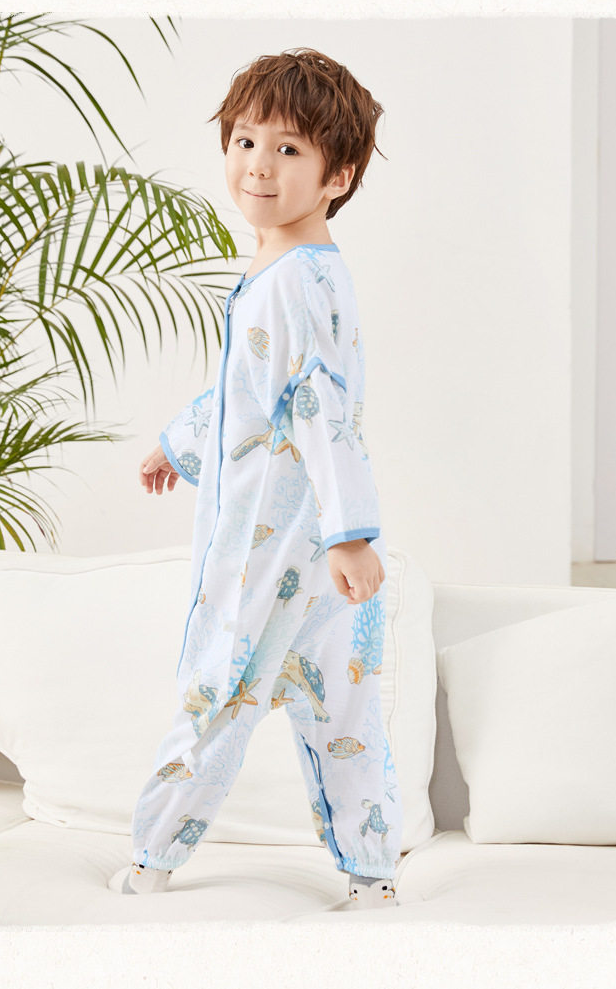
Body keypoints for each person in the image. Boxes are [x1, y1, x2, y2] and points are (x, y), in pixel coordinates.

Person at [109, 48, 402, 910]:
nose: (258, 166)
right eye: (245, 141)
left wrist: (352, 534)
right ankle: (373, 871)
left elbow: (319, 409)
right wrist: (181, 441)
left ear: (338, 176)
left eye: (288, 149)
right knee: (342, 711)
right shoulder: (298, 270)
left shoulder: (290, 283)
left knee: (217, 691)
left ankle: (151, 858)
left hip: (272, 551)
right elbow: (256, 391)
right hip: (312, 544)